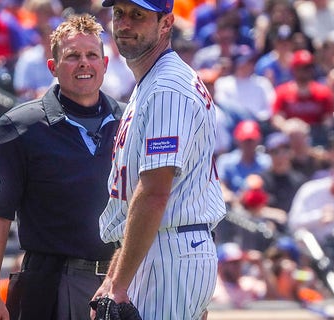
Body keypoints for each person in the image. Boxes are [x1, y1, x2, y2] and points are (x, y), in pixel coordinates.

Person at [0, 14, 124, 320]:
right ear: (53, 67)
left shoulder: (132, 121)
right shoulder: (20, 127)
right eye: (72, 56)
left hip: (124, 281)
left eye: (91, 55)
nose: (84, 63)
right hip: (53, 286)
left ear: (105, 64)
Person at [92, 0, 226, 319]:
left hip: (168, 251)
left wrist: (118, 285)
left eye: (138, 15)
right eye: (119, 14)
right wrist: (113, 276)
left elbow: (154, 194)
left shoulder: (167, 87)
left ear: (166, 24)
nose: (125, 24)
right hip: (163, 248)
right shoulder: (154, 79)